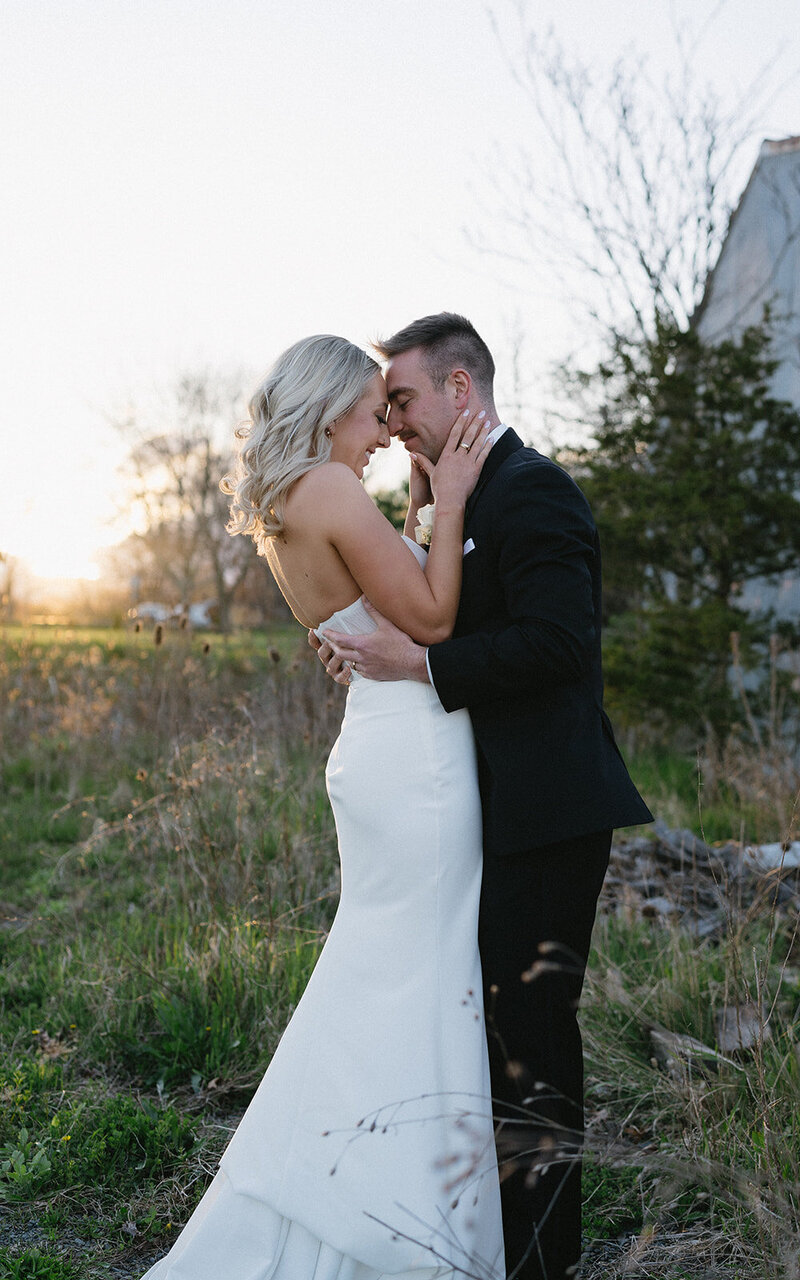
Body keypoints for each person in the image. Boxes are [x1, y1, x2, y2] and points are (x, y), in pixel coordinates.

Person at [140, 334, 505, 1280]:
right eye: (374, 410)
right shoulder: (334, 490)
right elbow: (430, 621)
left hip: (373, 744)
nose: (385, 429)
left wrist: (421, 519)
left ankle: (340, 1171)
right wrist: (451, 500)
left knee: (382, 965)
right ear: (332, 405)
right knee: (419, 970)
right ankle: (394, 1206)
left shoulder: (284, 504)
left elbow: (363, 623)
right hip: (414, 752)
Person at [314, 313, 654, 1280]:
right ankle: (490, 1240)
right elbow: (436, 610)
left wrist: (421, 663)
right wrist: (371, 646)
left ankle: (547, 1263)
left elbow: (559, 646)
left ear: (462, 391)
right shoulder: (454, 494)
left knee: (533, 1043)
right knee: (489, 1035)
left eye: (405, 399)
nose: (395, 420)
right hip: (484, 809)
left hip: (548, 812)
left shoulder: (534, 490)